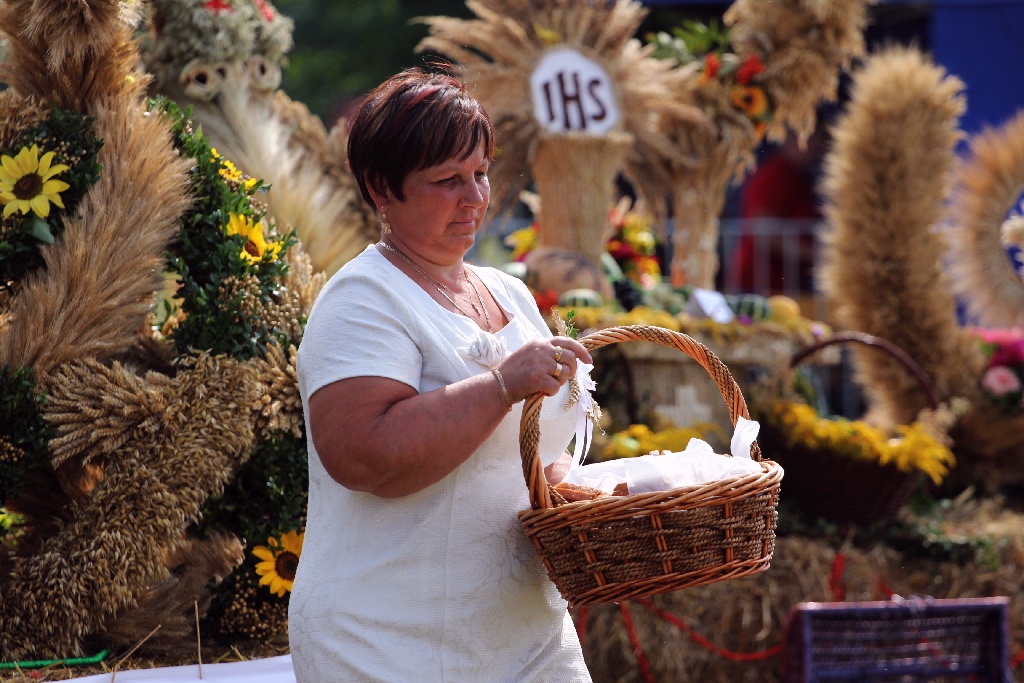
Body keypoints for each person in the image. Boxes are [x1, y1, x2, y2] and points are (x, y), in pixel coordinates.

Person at [289, 68, 594, 682]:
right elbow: (363, 456)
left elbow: (525, 459)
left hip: (528, 636)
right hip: (384, 641)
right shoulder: (363, 299)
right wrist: (501, 385)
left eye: (480, 173)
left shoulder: (510, 292)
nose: (475, 197)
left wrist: (590, 496)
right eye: (447, 181)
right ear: (380, 188)